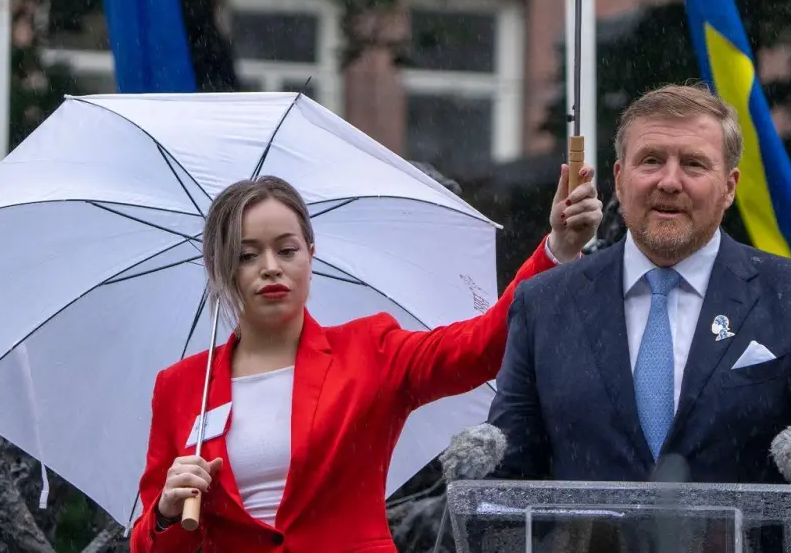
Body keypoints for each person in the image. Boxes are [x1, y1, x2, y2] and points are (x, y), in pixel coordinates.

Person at [131, 166, 602, 551]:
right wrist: (168, 512)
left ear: (310, 255)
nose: (271, 266)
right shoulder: (180, 387)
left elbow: (481, 345)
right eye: (247, 255)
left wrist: (557, 250)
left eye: (287, 249)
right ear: (221, 269)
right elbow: (148, 545)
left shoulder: (370, 349)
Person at [486, 84, 791, 552]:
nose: (669, 181)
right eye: (651, 161)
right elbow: (503, 487)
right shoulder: (544, 304)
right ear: (620, 176)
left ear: (729, 187)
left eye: (693, 164)